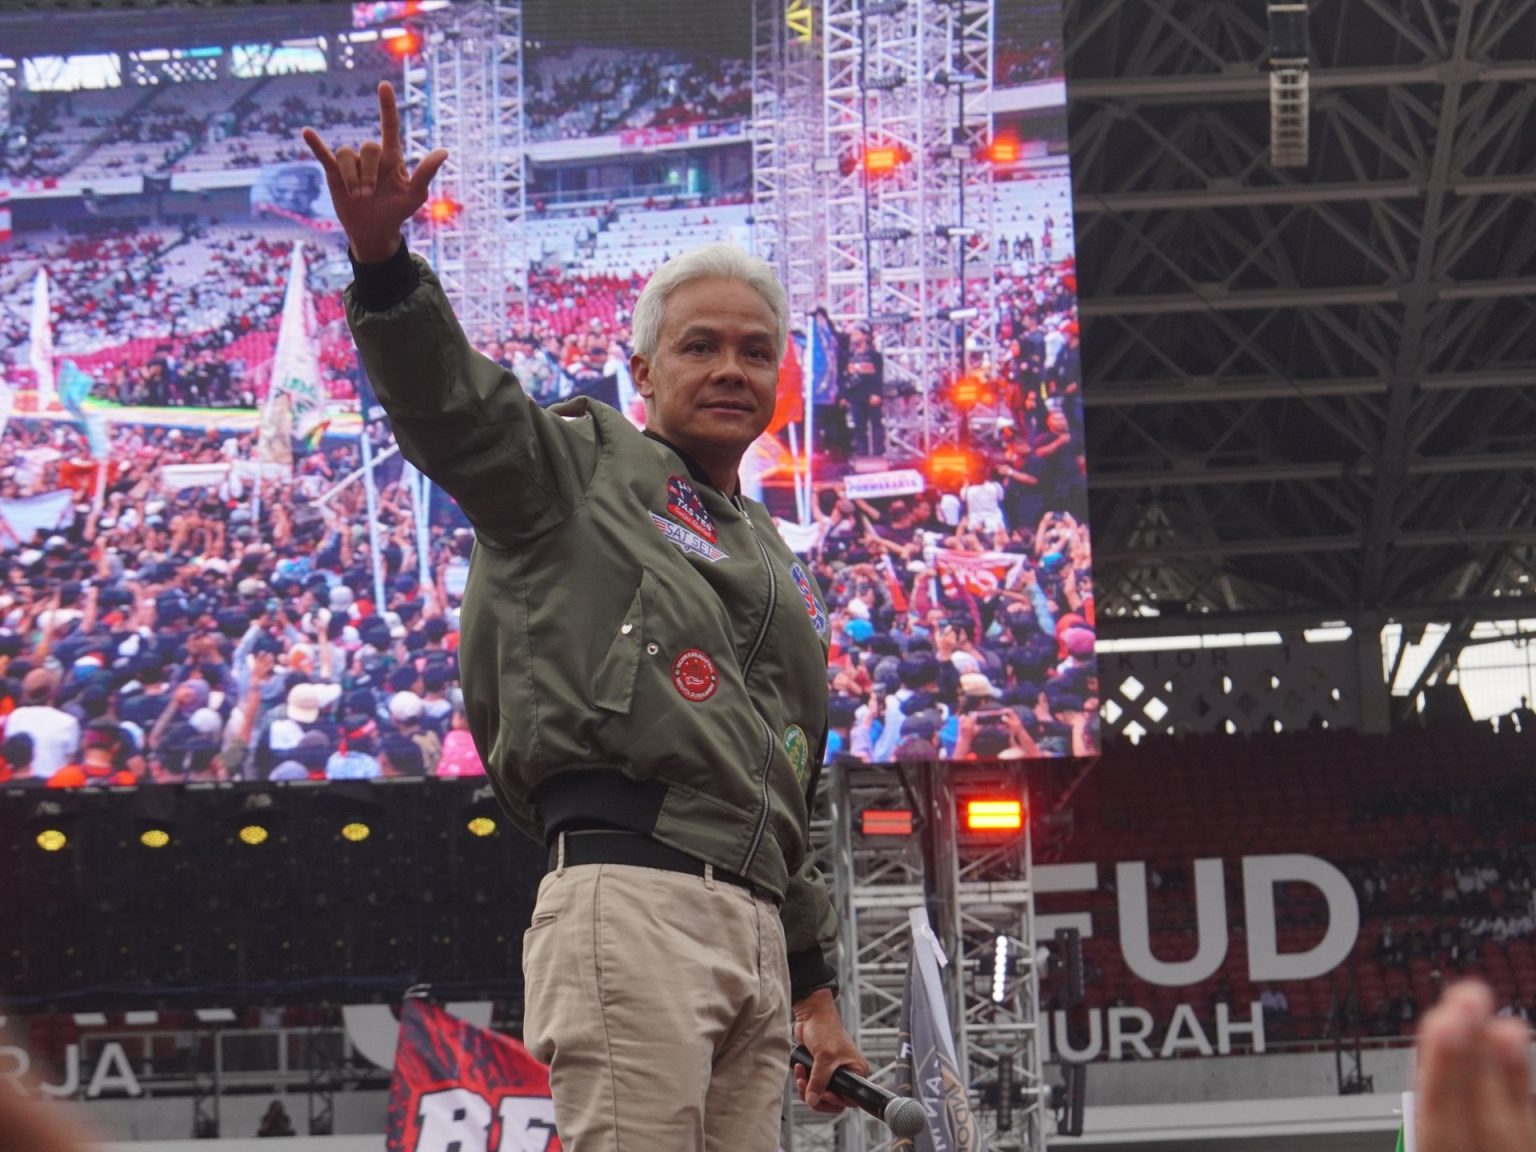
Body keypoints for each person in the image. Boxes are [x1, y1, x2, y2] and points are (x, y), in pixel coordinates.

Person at [304, 83, 866, 1152]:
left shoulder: (775, 559)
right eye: (701, 346)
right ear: (642, 369)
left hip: (755, 927)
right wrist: (384, 267)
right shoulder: (579, 465)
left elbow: (786, 781)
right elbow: (452, 411)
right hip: (635, 891)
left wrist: (814, 987)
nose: (731, 368)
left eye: (756, 351)